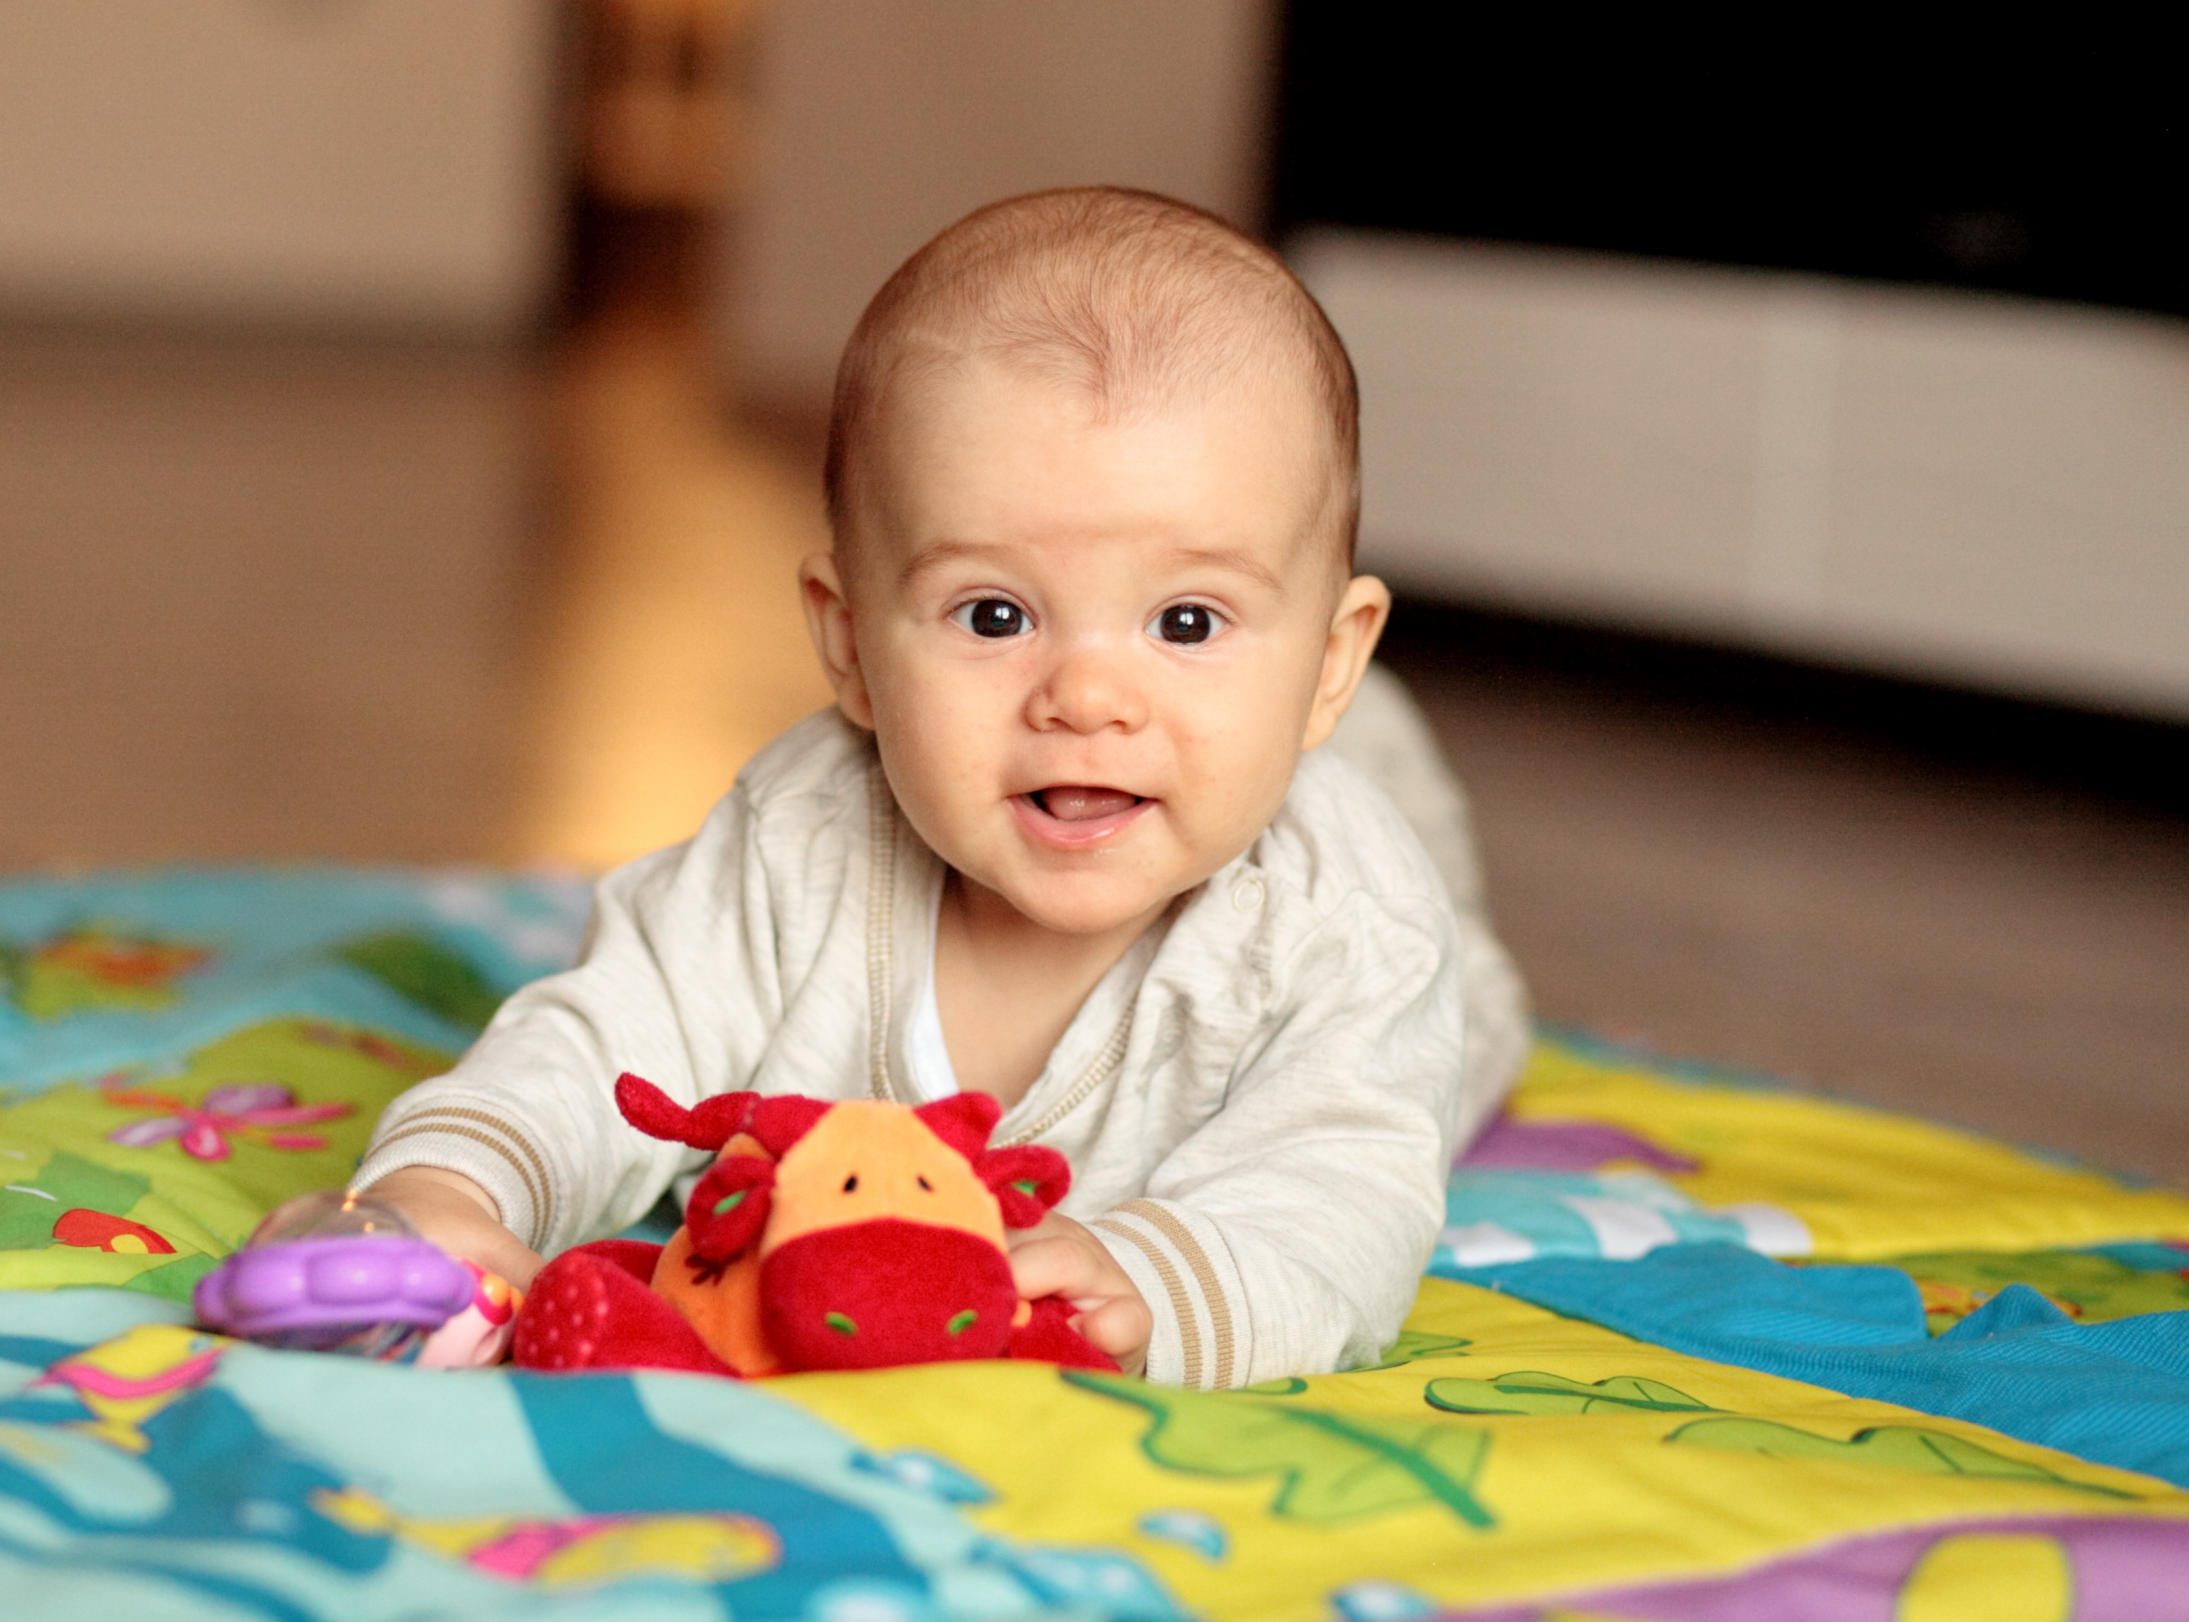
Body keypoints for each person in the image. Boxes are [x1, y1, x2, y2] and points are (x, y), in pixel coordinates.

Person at [356, 188, 1528, 1387]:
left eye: (1185, 620)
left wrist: (1163, 1278)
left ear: (1329, 658)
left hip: (1362, 861)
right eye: (993, 615)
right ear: (850, 642)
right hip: (1237, 739)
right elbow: (607, 1039)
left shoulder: (1341, 917)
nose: (1086, 697)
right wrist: (452, 1184)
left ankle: (1359, 736)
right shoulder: (800, 839)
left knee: (1446, 1022)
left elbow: (1343, 1196)